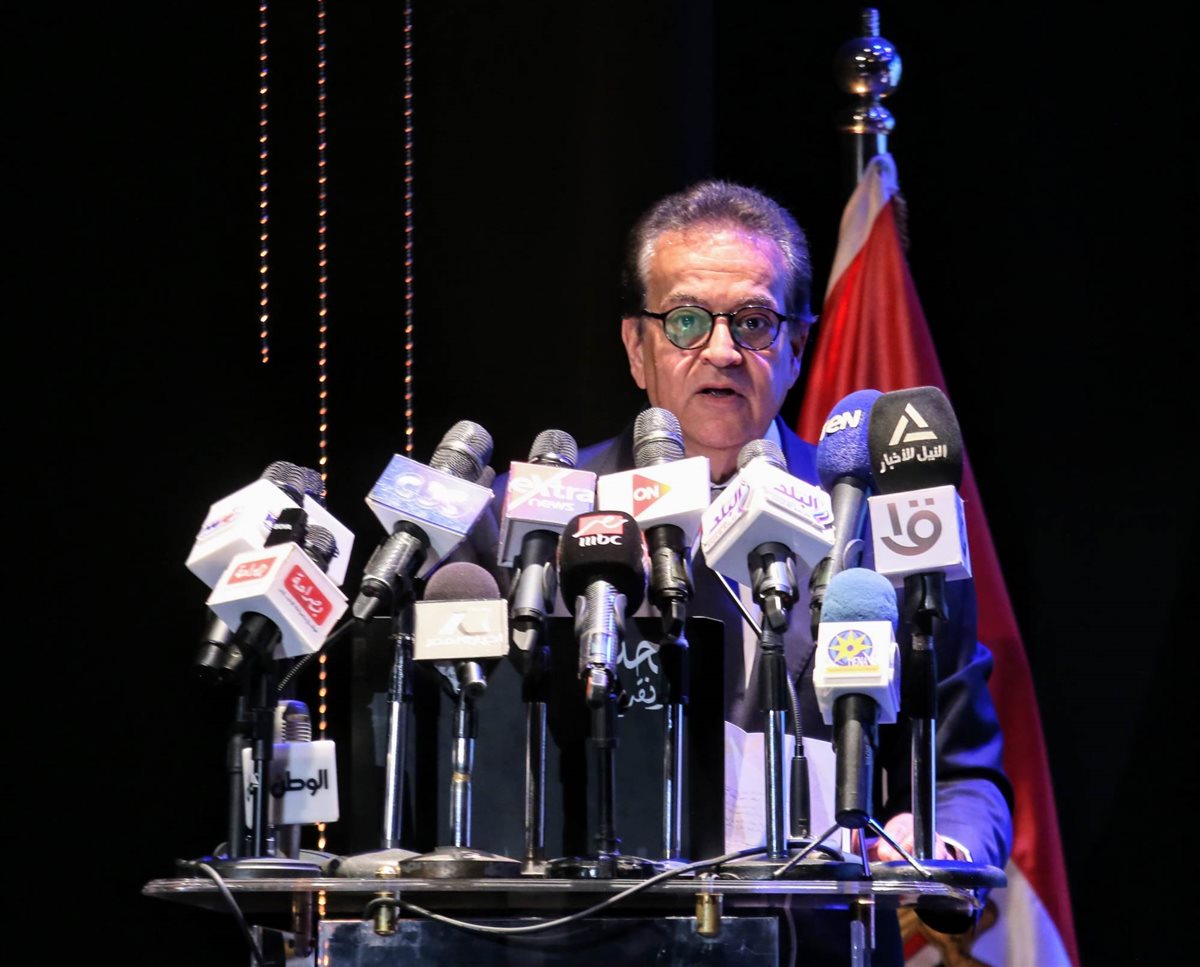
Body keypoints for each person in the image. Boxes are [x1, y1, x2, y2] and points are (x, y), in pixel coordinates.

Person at [476, 179, 1012, 964]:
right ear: (637, 347)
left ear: (797, 346)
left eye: (755, 322)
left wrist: (939, 842)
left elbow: (963, 773)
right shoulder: (533, 519)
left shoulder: (886, 529)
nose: (723, 351)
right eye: (687, 320)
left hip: (809, 945)